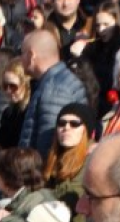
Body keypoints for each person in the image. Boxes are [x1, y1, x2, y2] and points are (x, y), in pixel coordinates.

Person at [18, 30, 88, 160]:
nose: (20, 59)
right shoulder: (52, 82)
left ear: (31, 55)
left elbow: (48, 144)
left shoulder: (55, 89)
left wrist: (36, 170)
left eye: (21, 53)